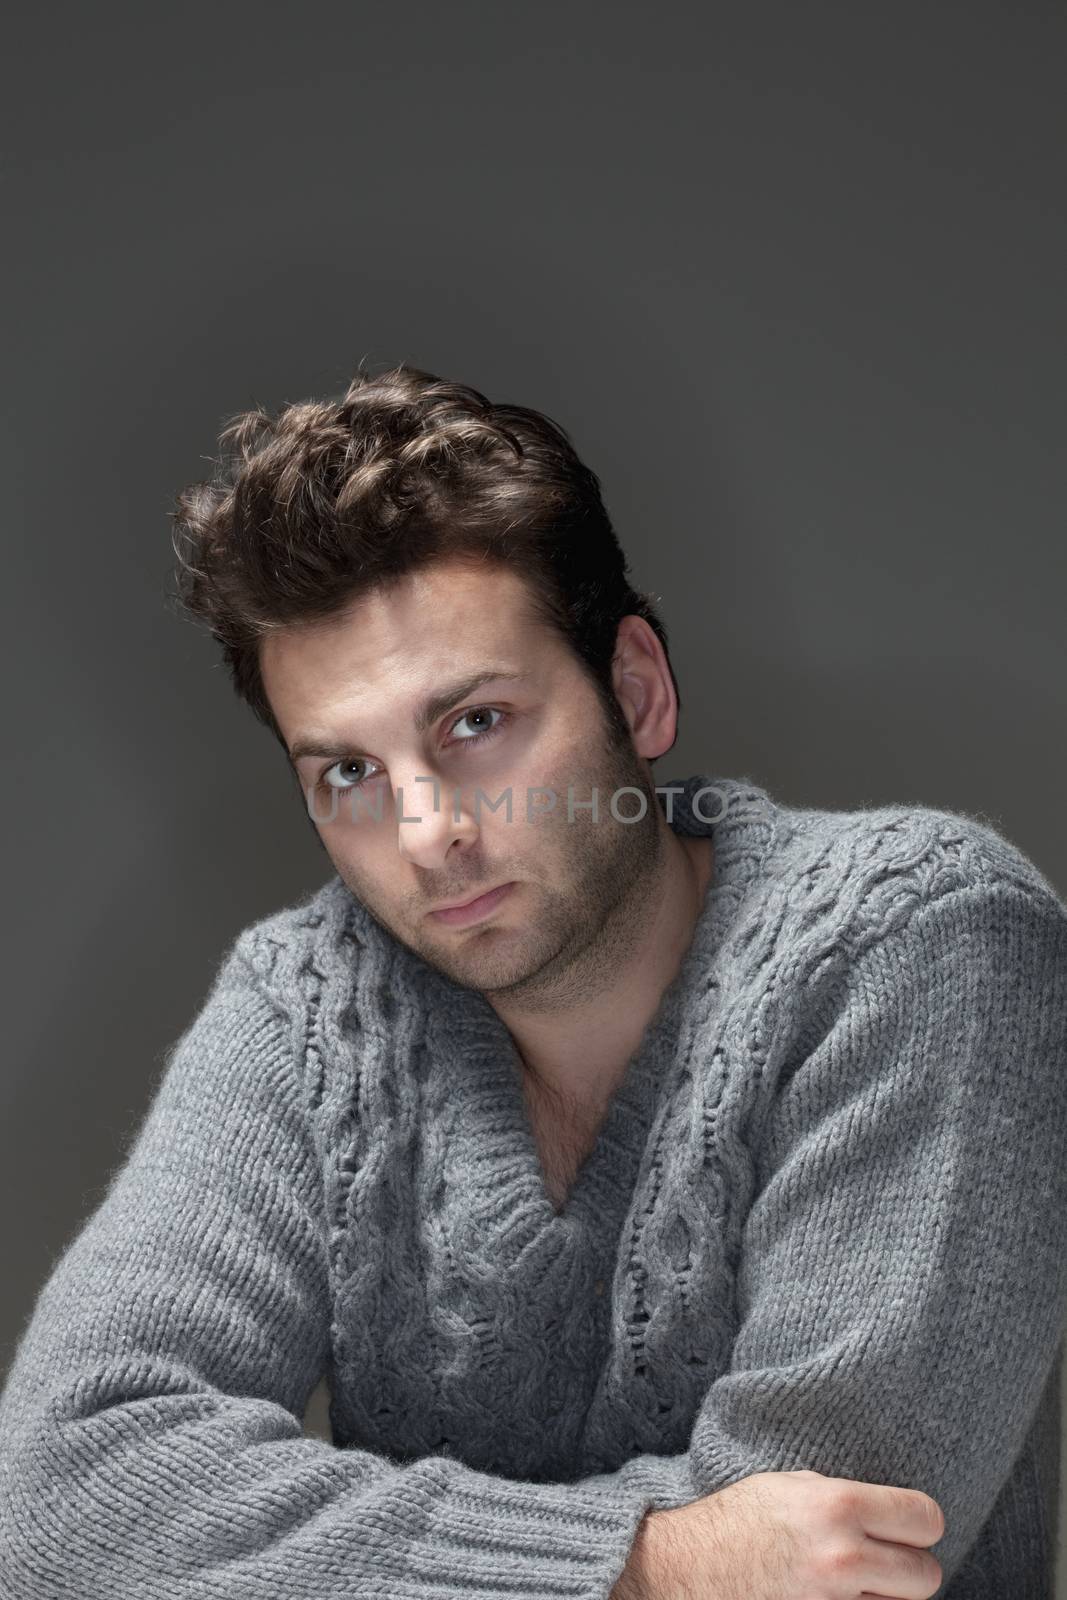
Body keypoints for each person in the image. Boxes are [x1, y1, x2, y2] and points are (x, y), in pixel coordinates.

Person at [1, 363, 1065, 1599]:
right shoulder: (307, 1009)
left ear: (635, 690)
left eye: (473, 724)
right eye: (346, 773)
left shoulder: (916, 943)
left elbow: (837, 1568)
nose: (422, 834)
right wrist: (651, 1564)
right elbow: (58, 1497)